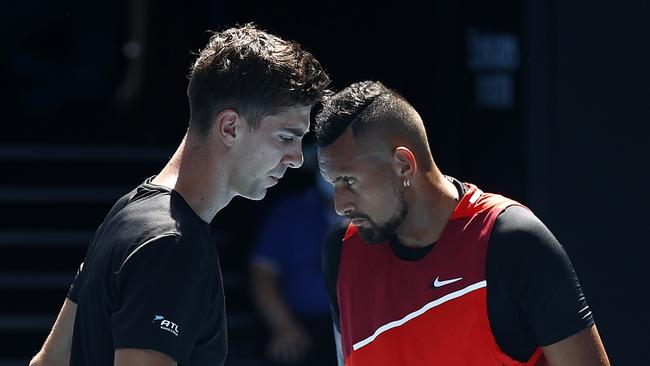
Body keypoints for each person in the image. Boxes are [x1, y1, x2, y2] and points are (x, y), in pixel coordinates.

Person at [29, 24, 330, 366]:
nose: (297, 159)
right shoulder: (172, 245)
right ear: (230, 127)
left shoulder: (129, 208)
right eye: (286, 137)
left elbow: (47, 362)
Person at [314, 81, 610, 365]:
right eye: (333, 184)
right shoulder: (341, 252)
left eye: (349, 181)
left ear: (403, 164)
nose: (340, 205)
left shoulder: (512, 240)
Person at [249, 153, 341, 366]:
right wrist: (284, 327)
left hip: (360, 325)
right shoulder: (290, 210)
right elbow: (262, 272)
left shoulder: (373, 212)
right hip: (305, 328)